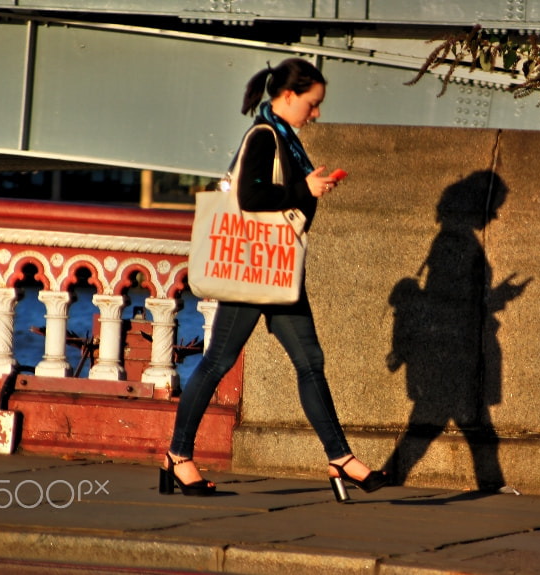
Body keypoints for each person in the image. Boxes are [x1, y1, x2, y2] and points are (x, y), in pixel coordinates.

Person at [160, 58, 387, 501]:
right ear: (287, 97)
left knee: (310, 362)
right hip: (254, 265)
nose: (317, 113)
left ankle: (340, 458)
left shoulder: (285, 138)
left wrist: (310, 185)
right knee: (217, 363)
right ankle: (178, 456)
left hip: (276, 268)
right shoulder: (264, 136)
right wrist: (306, 190)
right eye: (312, 103)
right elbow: (250, 196)